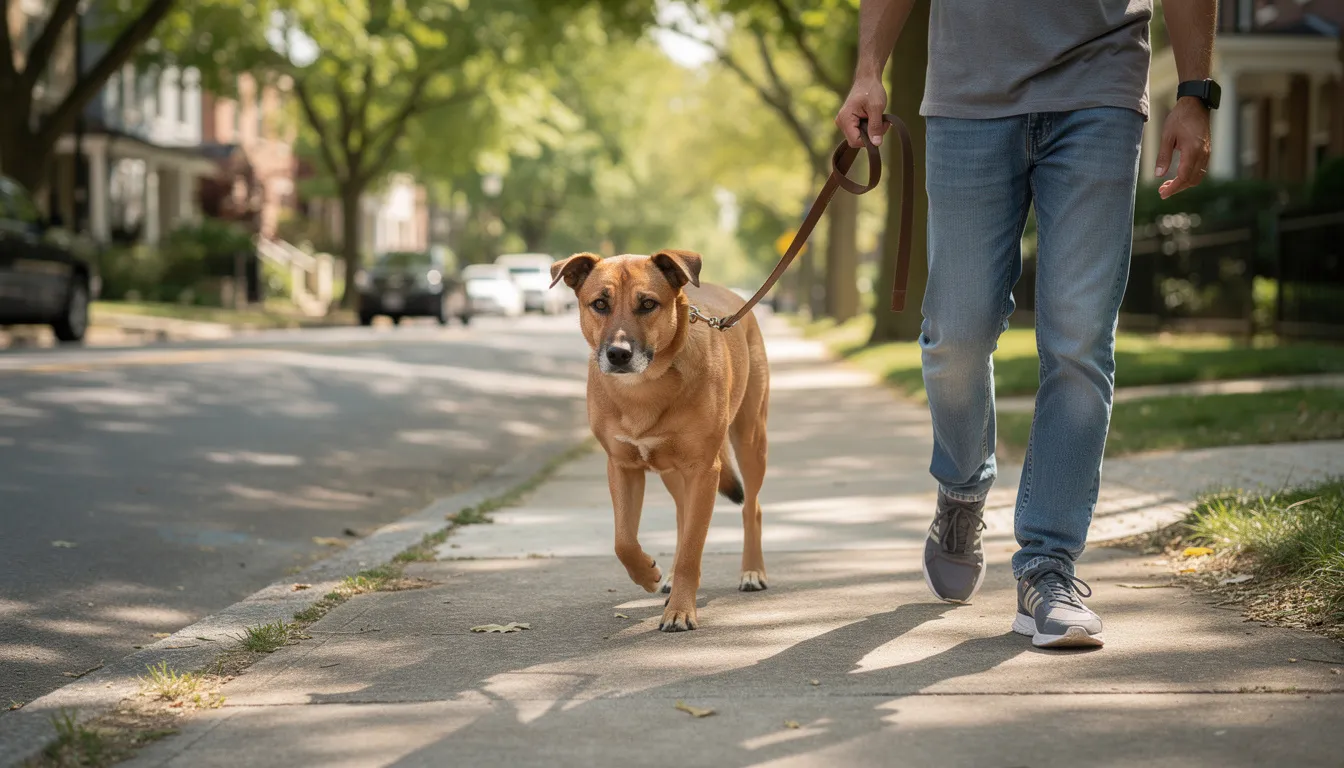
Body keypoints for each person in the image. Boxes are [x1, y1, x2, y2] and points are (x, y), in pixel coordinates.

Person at [836, 0, 1218, 648]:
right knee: (957, 333)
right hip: (967, 94)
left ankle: (1048, 567)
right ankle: (962, 485)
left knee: (1079, 343)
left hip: (1100, 84)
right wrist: (868, 67)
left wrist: (1195, 90)